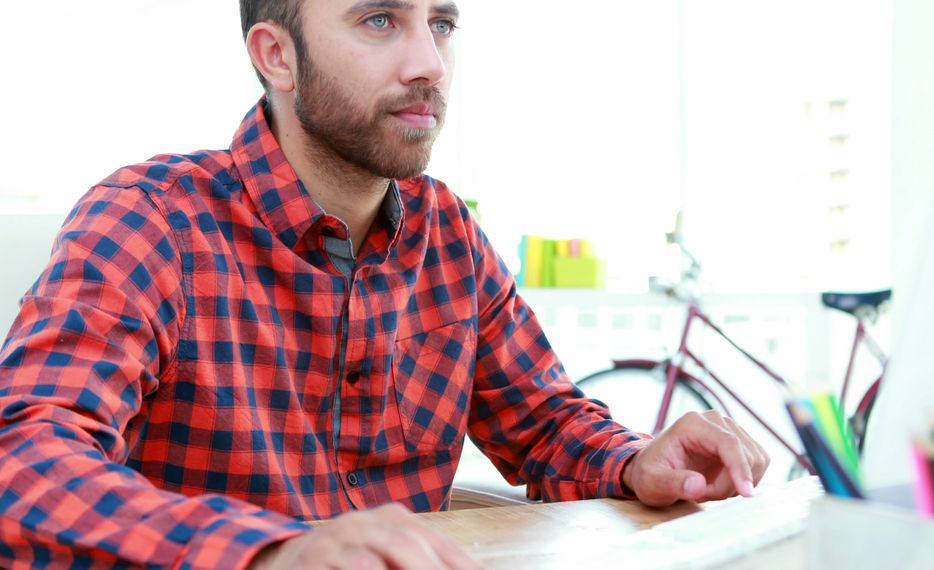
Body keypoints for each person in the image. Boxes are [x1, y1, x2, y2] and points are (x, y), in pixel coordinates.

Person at [0, 1, 770, 568]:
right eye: (379, 21)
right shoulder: (150, 220)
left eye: (441, 23)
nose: (429, 63)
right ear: (276, 55)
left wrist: (638, 460)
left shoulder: (449, 232)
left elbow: (543, 422)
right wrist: (273, 553)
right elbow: (25, 459)